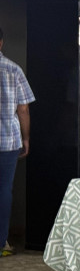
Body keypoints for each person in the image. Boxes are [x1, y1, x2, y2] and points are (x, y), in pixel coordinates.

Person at [0, 28, 34, 257]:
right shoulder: (14, 69)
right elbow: (23, 109)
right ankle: (1, 242)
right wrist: (26, 138)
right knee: (4, 190)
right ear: (1, 42)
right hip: (8, 141)